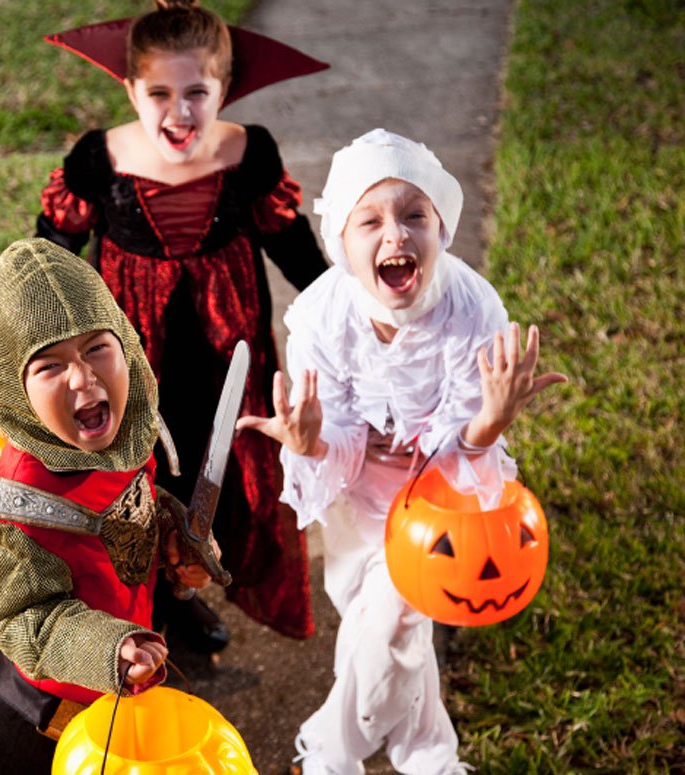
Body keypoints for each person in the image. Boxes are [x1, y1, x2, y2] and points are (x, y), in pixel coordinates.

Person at [236, 128, 568, 773]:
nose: (395, 234)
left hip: (442, 493)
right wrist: (308, 443)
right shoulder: (320, 318)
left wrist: (489, 424)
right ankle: (425, 752)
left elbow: (465, 443)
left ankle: (329, 751)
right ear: (341, 244)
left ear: (440, 229)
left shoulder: (473, 309)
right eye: (371, 221)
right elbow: (333, 443)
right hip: (356, 493)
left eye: (415, 215)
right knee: (379, 628)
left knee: (390, 620)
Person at [36, 0, 329, 651]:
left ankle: (187, 589)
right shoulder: (99, 162)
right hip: (134, 356)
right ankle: (147, 610)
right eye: (159, 93)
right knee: (141, 483)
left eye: (198, 92)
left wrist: (347, 306)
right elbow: (51, 259)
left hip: (227, 352)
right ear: (130, 88)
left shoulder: (247, 155)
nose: (180, 112)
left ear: (224, 88)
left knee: (216, 475)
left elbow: (292, 245)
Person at [0, 238, 216, 773]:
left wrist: (177, 539)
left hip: (131, 674)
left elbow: (134, 505)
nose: (83, 378)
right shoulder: (20, 508)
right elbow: (24, 619)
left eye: (96, 349)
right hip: (49, 719)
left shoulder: (127, 430)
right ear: (16, 392)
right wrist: (108, 646)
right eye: (50, 366)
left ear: (125, 344)